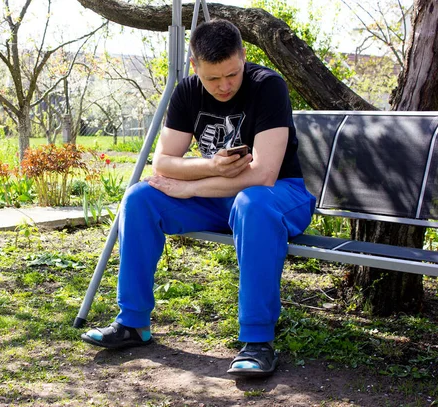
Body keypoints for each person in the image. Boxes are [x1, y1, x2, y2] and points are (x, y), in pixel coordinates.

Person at [81, 19, 316, 378]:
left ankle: (257, 341)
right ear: (194, 67)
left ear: (244, 56)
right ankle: (133, 323)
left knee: (251, 204)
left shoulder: (268, 86)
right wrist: (210, 166)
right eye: (212, 78)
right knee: (140, 198)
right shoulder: (188, 91)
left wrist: (191, 186)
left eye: (232, 75)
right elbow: (162, 162)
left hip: (278, 197)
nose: (224, 86)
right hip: (221, 198)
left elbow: (263, 175)